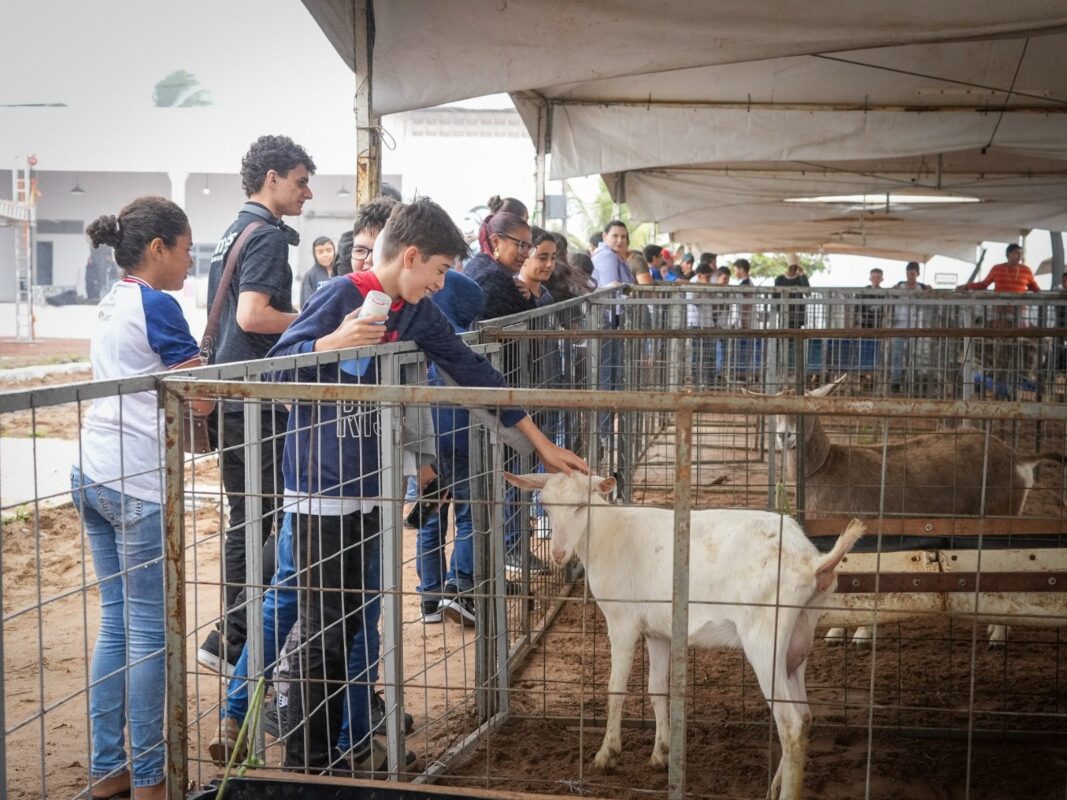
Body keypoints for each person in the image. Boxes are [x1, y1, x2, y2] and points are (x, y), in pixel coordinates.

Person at [266, 198, 587, 772]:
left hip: (371, 488)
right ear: (411, 256)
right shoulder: (340, 294)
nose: (442, 284)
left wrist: (541, 443)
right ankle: (305, 761)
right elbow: (273, 366)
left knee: (352, 622)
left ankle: (334, 754)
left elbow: (473, 370)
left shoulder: (414, 311)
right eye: (439, 271)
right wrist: (328, 345)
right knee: (322, 629)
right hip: (320, 490)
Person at [73, 197, 211, 800]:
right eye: (186, 250)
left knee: (116, 623)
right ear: (158, 248)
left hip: (92, 469)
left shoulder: (112, 298)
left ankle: (109, 769)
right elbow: (199, 399)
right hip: (136, 482)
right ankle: (152, 779)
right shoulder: (158, 304)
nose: (190, 261)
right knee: (150, 632)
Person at [198, 134, 315, 678]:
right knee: (272, 516)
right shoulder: (266, 236)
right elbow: (252, 316)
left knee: (248, 517)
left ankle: (232, 635)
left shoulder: (234, 230)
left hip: (232, 397)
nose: (307, 192)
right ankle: (238, 635)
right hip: (254, 401)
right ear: (272, 178)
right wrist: (317, 320)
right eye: (300, 181)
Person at [463, 211, 536, 320]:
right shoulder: (494, 277)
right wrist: (528, 300)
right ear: (496, 241)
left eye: (529, 247)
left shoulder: (475, 264)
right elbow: (530, 325)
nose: (526, 255)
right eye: (521, 245)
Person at [890, 262, 931, 393]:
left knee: (913, 356)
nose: (910, 276)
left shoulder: (921, 288)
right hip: (899, 326)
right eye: (908, 274)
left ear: (917, 274)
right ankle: (896, 382)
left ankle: (912, 380)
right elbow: (891, 293)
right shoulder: (900, 286)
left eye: (912, 274)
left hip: (915, 326)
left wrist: (929, 290)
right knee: (897, 355)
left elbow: (931, 295)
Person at [518, 227, 557, 307]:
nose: (549, 264)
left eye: (553, 258)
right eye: (542, 258)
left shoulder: (546, 296)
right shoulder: (514, 294)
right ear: (523, 256)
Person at [300, 236, 336, 306]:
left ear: (334, 251)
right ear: (315, 254)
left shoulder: (340, 271)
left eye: (329, 250)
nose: (325, 255)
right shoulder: (310, 275)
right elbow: (307, 303)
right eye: (320, 252)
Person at [774, 261, 809, 329]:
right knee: (783, 330)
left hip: (798, 312)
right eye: (791, 267)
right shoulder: (779, 279)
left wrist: (802, 274)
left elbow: (807, 292)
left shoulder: (800, 278)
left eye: (795, 268)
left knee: (796, 331)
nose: (793, 270)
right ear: (787, 266)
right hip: (783, 311)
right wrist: (778, 309)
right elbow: (775, 295)